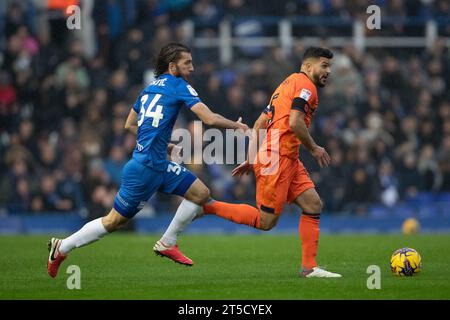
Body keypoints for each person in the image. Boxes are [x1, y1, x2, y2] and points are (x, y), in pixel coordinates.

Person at [47, 43, 249, 278]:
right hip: (145, 169)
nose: (192, 68)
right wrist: (238, 125)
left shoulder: (149, 89)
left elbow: (129, 125)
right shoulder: (179, 85)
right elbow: (209, 118)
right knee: (113, 221)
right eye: (187, 63)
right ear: (173, 67)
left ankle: (168, 242)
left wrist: (163, 145)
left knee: (201, 193)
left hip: (157, 164)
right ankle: (62, 247)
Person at [201, 47, 342, 278]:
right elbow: (296, 122)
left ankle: (309, 268)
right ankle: (207, 206)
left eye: (330, 66)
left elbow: (259, 123)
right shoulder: (307, 87)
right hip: (277, 157)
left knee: (313, 204)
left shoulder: (285, 85)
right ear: (307, 66)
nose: (328, 71)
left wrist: (251, 158)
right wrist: (314, 148)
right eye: (324, 65)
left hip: (286, 156)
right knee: (265, 222)